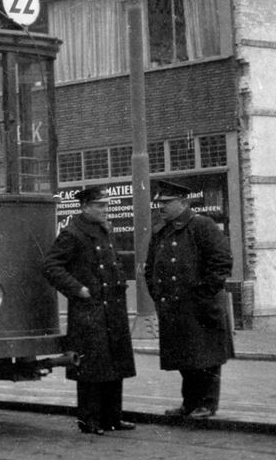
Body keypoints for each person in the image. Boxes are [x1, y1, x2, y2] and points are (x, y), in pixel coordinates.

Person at [43, 186, 136, 435]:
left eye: (106, 205)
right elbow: (51, 266)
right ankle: (89, 420)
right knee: (91, 368)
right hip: (89, 310)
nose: (105, 210)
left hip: (112, 307)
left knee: (114, 364)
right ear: (85, 207)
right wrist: (77, 289)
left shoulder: (105, 231)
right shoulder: (72, 234)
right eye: (100, 206)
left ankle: (113, 418)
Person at [145, 180, 234, 419]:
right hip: (175, 309)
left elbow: (222, 262)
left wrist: (203, 294)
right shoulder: (161, 231)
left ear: (183, 203)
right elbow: (150, 268)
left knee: (207, 359)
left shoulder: (202, 226)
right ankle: (189, 403)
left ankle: (206, 404)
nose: (160, 207)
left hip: (201, 308)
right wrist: (160, 297)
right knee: (186, 359)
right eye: (159, 203)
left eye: (166, 203)